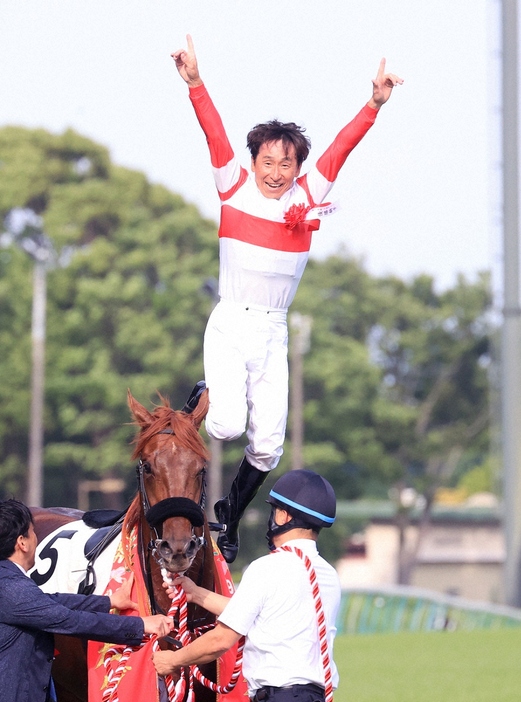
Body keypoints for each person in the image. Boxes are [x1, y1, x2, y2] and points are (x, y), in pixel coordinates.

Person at [173, 35, 403, 563]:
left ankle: (228, 515)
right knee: (226, 426)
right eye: (268, 162)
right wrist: (195, 84)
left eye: (287, 164)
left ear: (298, 166)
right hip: (231, 321)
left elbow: (342, 148)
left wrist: (373, 104)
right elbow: (213, 132)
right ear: (253, 162)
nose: (276, 173)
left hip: (274, 329)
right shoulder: (233, 186)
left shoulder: (309, 194)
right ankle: (207, 392)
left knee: (268, 446)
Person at [153, 469, 339, 702]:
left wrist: (172, 660)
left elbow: (220, 640)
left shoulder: (267, 568)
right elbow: (261, 616)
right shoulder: (329, 576)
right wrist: (196, 593)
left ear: (282, 517)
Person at [0, 499, 173, 702]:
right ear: (22, 542)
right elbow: (69, 620)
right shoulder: (12, 587)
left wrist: (109, 602)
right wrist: (141, 625)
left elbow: (52, 601)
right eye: (33, 532)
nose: (36, 539)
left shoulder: (9, 581)